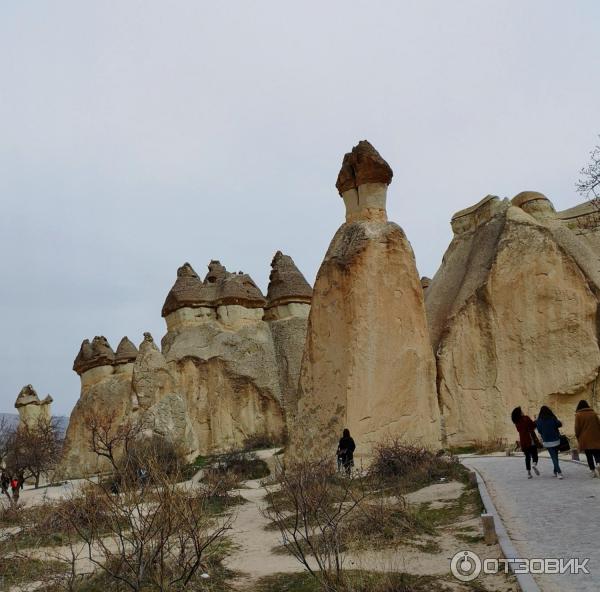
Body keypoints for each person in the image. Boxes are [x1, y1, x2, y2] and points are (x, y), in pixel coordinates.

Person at [511, 407, 540, 479]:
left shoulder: (516, 422)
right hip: (530, 440)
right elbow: (532, 426)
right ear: (520, 413)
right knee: (535, 455)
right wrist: (536, 421)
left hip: (523, 441)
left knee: (527, 457)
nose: (523, 412)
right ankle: (534, 464)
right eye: (521, 411)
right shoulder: (526, 418)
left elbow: (519, 430)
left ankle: (529, 473)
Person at [535, 405, 564, 479]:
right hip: (556, 439)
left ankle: (559, 472)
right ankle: (556, 471)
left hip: (547, 441)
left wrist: (544, 434)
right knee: (555, 456)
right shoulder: (552, 417)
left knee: (554, 457)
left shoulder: (539, 420)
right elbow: (559, 424)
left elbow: (539, 431)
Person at [574, 400, 600, 478]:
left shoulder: (578, 415)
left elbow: (577, 428)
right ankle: (598, 463)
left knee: (589, 455)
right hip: (596, 437)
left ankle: (592, 471)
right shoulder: (593, 414)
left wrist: (578, 436)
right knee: (597, 453)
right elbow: (599, 424)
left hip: (585, 439)